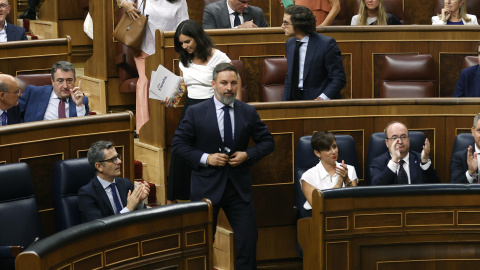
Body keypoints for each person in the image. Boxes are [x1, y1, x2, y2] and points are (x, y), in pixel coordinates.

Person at [172, 63, 275, 269]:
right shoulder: (195, 112)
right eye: (224, 83)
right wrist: (206, 158)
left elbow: (267, 143)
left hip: (238, 188)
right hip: (206, 187)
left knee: (248, 240)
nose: (229, 88)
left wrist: (247, 155)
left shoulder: (248, 112)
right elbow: (178, 145)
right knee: (200, 242)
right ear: (213, 84)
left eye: (233, 83)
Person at [165, 19, 239, 204]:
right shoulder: (184, 58)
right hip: (191, 107)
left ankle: (205, 196)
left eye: (187, 41)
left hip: (213, 107)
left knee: (205, 150)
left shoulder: (219, 57)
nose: (184, 46)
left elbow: (232, 84)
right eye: (181, 43)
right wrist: (170, 98)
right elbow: (183, 85)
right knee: (181, 150)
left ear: (197, 37)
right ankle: (178, 198)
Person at [117, 0, 189, 134]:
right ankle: (144, 129)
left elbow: (184, 26)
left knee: (179, 80)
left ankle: (174, 126)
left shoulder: (180, 2)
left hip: (170, 49)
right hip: (145, 49)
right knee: (146, 81)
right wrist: (124, 4)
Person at [282, 5, 346, 101]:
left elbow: (338, 78)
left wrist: (322, 98)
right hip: (294, 100)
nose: (282, 26)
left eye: (286, 23)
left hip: (318, 101)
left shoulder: (326, 44)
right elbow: (290, 77)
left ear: (299, 25)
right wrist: (284, 103)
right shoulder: (290, 44)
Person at [78, 140, 150, 223]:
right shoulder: (87, 194)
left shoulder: (126, 184)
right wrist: (128, 208)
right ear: (99, 166)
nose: (119, 161)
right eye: (113, 159)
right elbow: (98, 227)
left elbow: (142, 220)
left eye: (118, 157)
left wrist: (139, 202)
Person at [300, 131, 357, 214]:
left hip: (346, 215)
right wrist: (338, 184)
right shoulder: (308, 176)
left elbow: (355, 201)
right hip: (318, 218)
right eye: (327, 149)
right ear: (317, 153)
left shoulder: (350, 169)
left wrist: (346, 180)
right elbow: (318, 206)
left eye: (334, 147)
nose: (333, 152)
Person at [371, 121, 441, 185]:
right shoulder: (378, 162)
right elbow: (376, 187)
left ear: (408, 139)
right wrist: (394, 160)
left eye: (403, 137)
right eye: (394, 138)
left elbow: (436, 186)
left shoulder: (421, 159)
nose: (400, 142)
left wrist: (425, 162)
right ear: (387, 143)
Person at [18, 61, 89, 123]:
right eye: (60, 81)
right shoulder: (33, 93)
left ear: (75, 80)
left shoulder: (82, 101)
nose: (65, 86)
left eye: (69, 80)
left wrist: (79, 106)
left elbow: (84, 129)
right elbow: (13, 115)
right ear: (52, 81)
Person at [451, 113, 480, 183]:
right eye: (479, 131)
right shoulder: (460, 157)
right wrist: (470, 173)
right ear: (473, 132)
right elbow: (454, 187)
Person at [203, 0, 269, 29]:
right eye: (243, 2)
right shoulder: (212, 11)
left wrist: (257, 32)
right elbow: (209, 39)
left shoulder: (256, 12)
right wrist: (239, 28)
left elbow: (268, 37)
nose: (246, 6)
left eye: (248, 2)